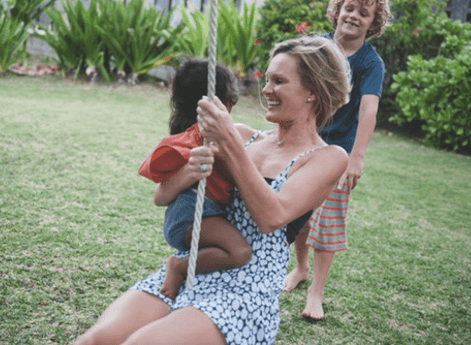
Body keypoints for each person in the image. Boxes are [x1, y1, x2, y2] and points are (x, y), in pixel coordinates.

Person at [73, 36, 351, 345]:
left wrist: (230, 146)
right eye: (267, 79)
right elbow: (166, 187)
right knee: (94, 341)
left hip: (245, 292)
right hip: (192, 268)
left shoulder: (326, 158)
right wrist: (192, 160)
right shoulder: (243, 134)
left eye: (279, 81)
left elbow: (272, 216)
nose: (266, 90)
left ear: (313, 91)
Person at [283, 0, 392, 321]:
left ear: (373, 24)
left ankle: (316, 292)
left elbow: (368, 110)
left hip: (338, 152)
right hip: (304, 141)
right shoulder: (316, 46)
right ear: (337, 11)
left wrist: (356, 157)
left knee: (327, 221)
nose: (354, 16)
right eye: (349, 9)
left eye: (364, 13)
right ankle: (299, 269)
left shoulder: (370, 63)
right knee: (299, 212)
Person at [138, 60, 252, 300]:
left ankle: (188, 270)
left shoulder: (212, 135)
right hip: (191, 214)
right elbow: (160, 197)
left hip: (195, 215)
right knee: (239, 252)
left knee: (233, 253)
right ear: (222, 101)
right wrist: (190, 170)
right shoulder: (201, 138)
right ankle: (178, 267)